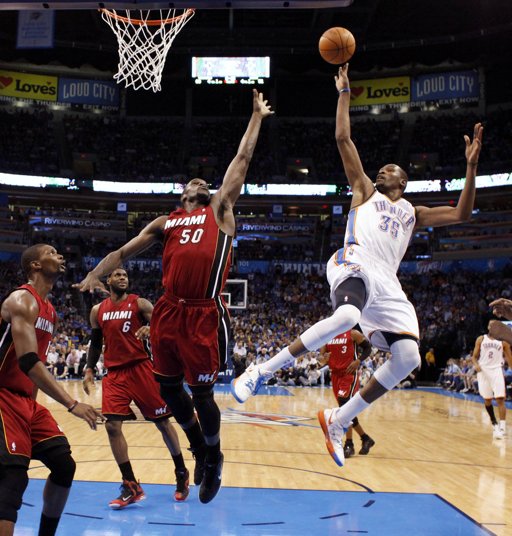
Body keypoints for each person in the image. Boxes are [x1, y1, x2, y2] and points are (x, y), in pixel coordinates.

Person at [231, 63, 483, 468]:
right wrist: (344, 92)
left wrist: (470, 168)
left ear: (402, 181)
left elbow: (461, 214)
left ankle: (339, 419)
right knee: (347, 316)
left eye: (390, 170)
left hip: (388, 283)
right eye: (380, 168)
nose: (381, 170)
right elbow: (342, 137)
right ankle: (262, 370)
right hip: (354, 259)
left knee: (409, 358)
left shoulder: (414, 212)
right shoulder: (365, 189)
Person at [74, 89, 273, 503]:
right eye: (194, 180)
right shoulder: (166, 221)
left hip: (204, 311)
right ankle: (198, 447)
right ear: (183, 191)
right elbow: (123, 252)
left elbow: (241, 160)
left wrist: (256, 116)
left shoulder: (220, 208)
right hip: (168, 309)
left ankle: (213, 456)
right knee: (167, 390)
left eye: (204, 181)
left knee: (201, 394)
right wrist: (95, 273)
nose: (200, 180)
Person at [0, 244, 103, 536]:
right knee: (13, 478)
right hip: (3, 396)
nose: (60, 256)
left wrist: (31, 410)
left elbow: (37, 369)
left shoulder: (51, 312)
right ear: (35, 265)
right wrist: (72, 404)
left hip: (25, 402)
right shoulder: (22, 299)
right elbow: (29, 362)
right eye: (52, 252)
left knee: (63, 464)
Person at [83, 267, 191, 508]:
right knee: (112, 426)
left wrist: (152, 329)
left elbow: (166, 326)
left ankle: (181, 472)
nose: (123, 278)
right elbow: (96, 342)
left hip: (141, 368)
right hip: (114, 373)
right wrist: (89, 368)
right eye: (117, 275)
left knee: (162, 423)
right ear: (108, 280)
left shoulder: (139, 304)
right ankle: (131, 485)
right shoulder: (97, 310)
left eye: (125, 275)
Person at [319, 329, 374, 458]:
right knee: (346, 409)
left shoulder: (353, 333)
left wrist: (358, 360)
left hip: (349, 374)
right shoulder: (328, 335)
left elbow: (368, 348)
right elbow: (321, 359)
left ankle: (349, 444)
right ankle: (365, 438)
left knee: (345, 408)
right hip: (335, 375)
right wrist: (323, 359)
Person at [471, 326, 512, 440]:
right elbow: (474, 357)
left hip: (497, 370)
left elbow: (509, 359)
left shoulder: (503, 342)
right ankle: (494, 423)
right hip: (483, 370)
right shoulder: (481, 339)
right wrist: (476, 365)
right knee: (488, 400)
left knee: (500, 399)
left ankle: (502, 427)